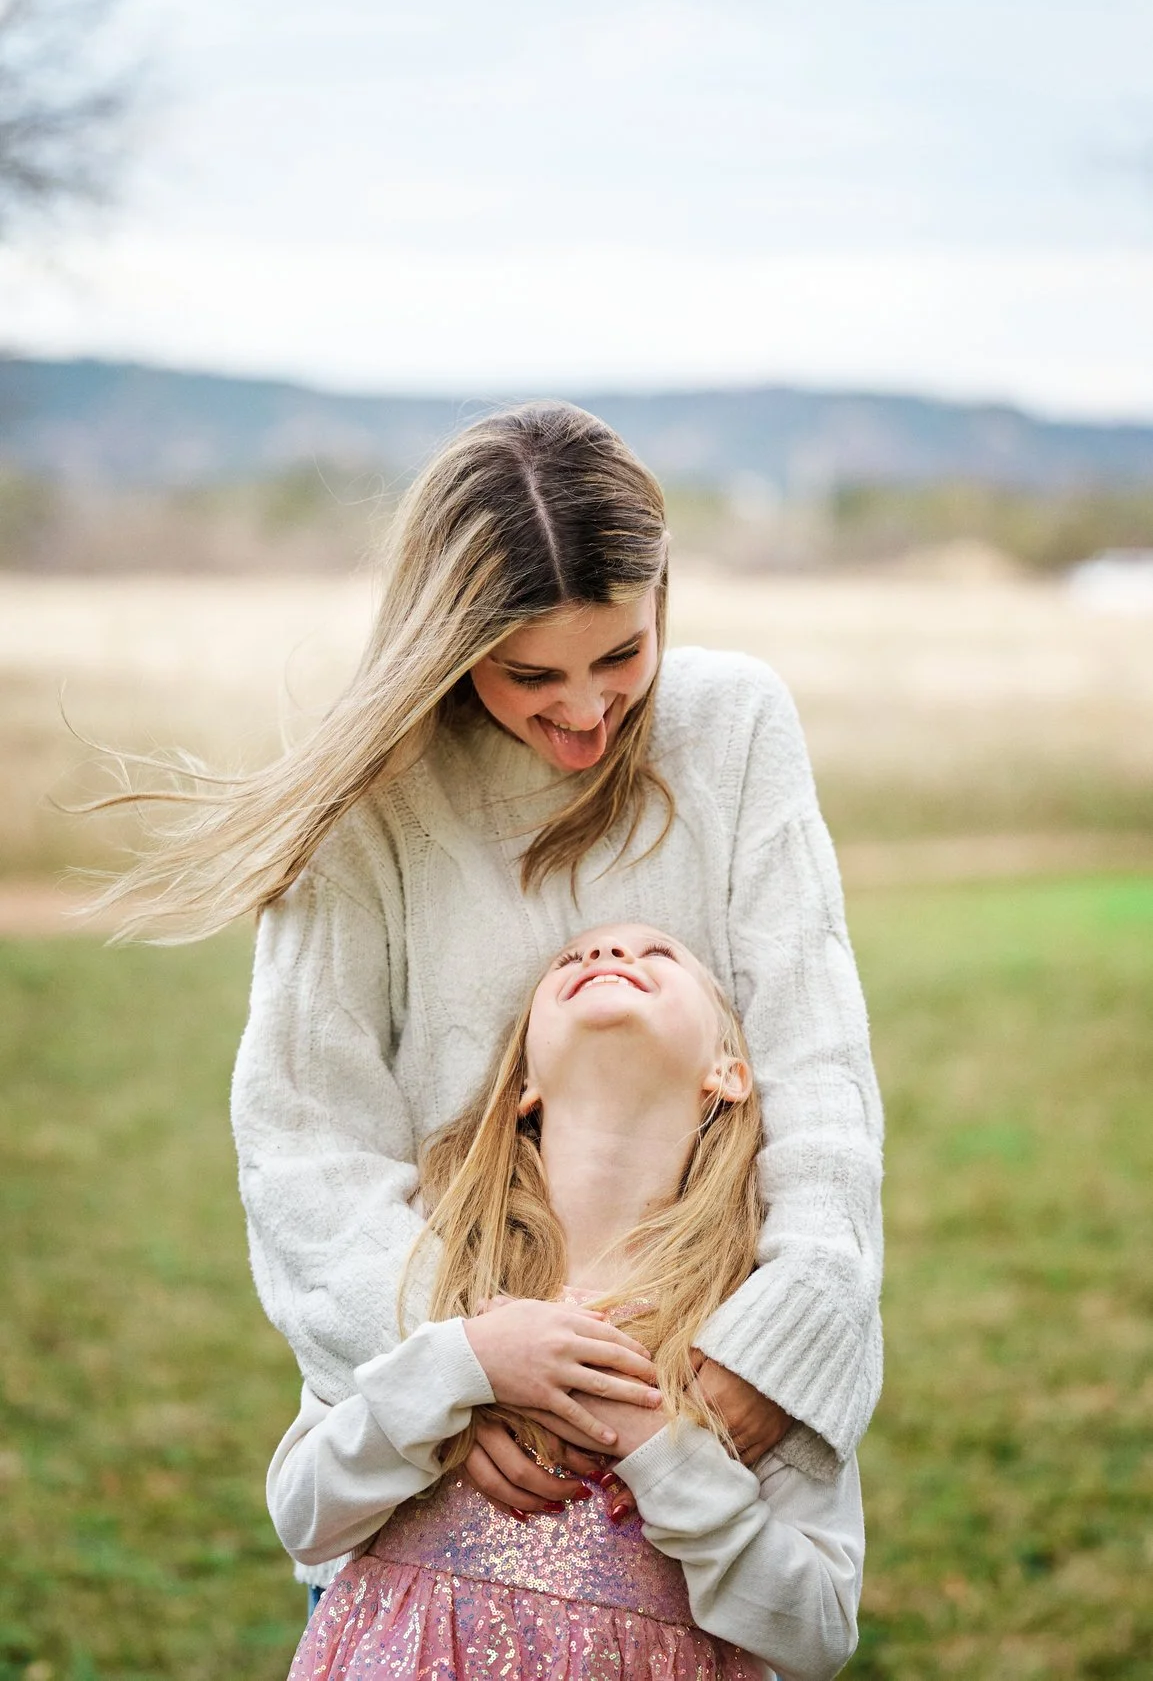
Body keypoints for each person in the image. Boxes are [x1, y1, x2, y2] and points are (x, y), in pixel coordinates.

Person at [97, 401, 882, 1595]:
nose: (582, 709)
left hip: (697, 1422)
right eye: (530, 674)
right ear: (449, 637)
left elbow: (816, 1066)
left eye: (620, 654)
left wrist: (780, 1345)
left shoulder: (736, 725)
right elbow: (305, 1141)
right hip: (432, 1467)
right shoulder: (375, 786)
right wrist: (456, 1376)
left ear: (663, 596)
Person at [269, 922, 865, 1681]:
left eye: (656, 954)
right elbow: (302, 1520)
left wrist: (664, 1453)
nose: (606, 955)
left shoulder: (754, 1330)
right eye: (571, 958)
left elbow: (819, 1633)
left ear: (728, 1072)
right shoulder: (427, 1271)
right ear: (524, 1087)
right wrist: (463, 1365)